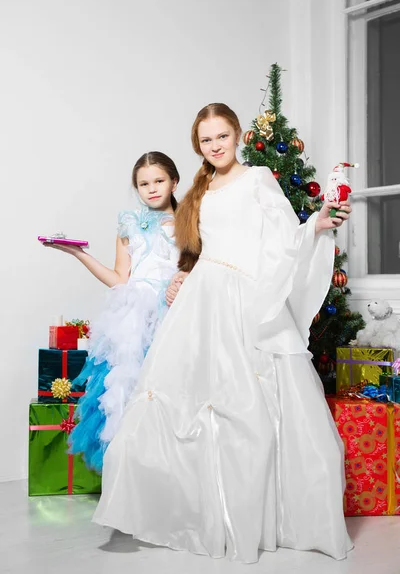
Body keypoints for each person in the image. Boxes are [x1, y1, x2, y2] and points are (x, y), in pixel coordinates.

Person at [93, 104, 353, 562]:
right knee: (184, 402)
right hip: (202, 298)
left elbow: (283, 236)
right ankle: (192, 508)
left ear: (238, 136)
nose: (215, 146)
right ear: (198, 145)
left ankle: (257, 516)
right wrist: (182, 275)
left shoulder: (259, 180)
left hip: (245, 297)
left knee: (249, 410)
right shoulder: (198, 188)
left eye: (222, 137)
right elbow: (194, 247)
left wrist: (317, 222)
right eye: (206, 140)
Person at [43, 151, 181, 472]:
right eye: (143, 184)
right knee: (129, 396)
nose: (152, 188)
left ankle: (176, 480)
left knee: (172, 395)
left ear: (174, 181)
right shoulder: (129, 222)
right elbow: (120, 279)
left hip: (175, 310)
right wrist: (79, 253)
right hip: (134, 317)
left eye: (159, 180)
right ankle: (136, 481)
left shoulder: (191, 219)